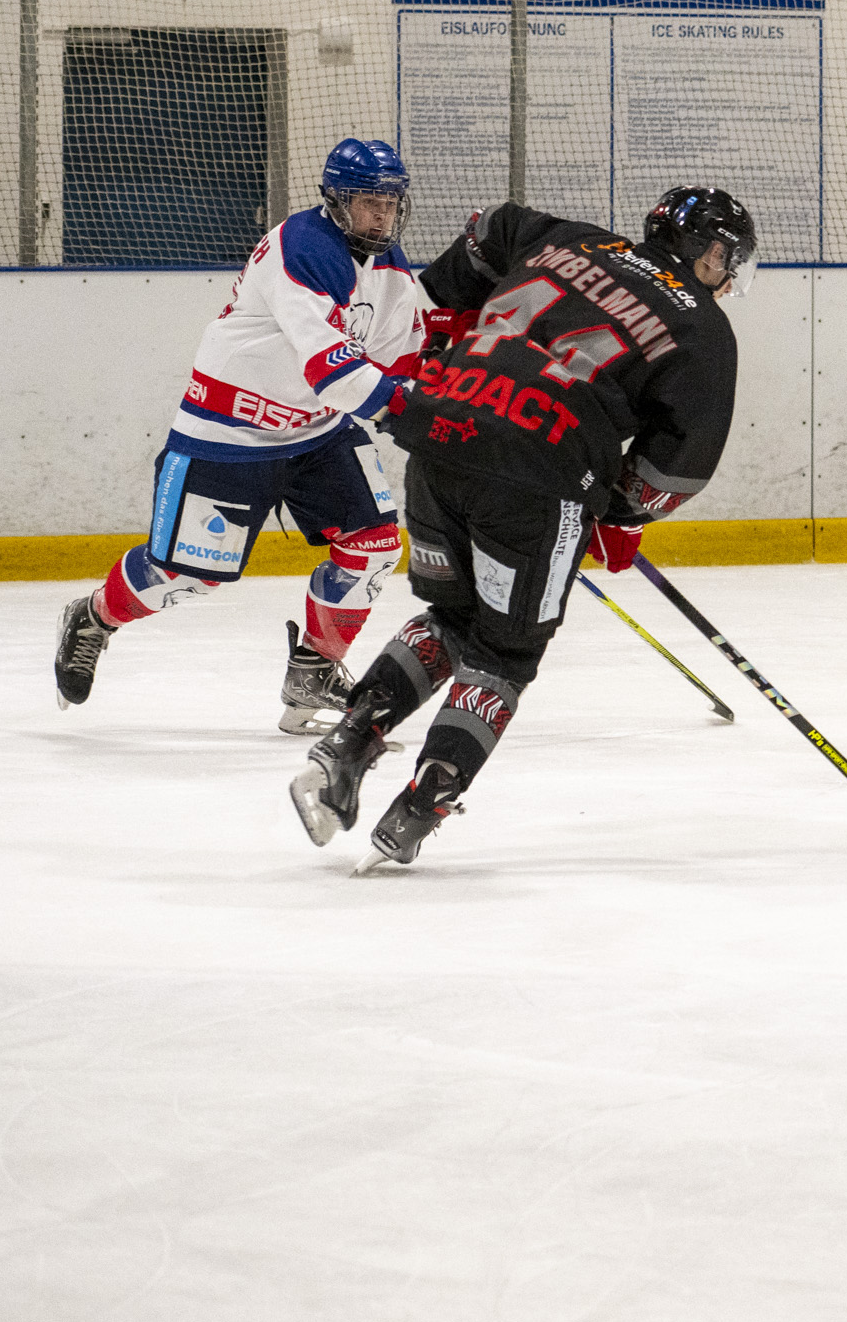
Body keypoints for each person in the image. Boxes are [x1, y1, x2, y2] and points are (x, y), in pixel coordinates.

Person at [289, 187, 752, 869]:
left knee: (450, 615)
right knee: (505, 652)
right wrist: (623, 514)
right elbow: (679, 466)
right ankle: (422, 803)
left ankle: (349, 743)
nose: (730, 273)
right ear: (705, 251)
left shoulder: (573, 240)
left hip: (438, 440)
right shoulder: (704, 329)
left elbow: (491, 227)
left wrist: (446, 306)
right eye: (727, 257)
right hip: (538, 480)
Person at [52, 139, 433, 728]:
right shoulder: (303, 248)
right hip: (229, 434)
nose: (381, 214)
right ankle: (94, 617)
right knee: (187, 577)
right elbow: (333, 373)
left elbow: (401, 363)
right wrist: (420, 420)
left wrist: (447, 401)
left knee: (374, 545)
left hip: (318, 434)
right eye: (367, 201)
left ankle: (314, 669)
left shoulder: (390, 269)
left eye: (390, 201)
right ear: (335, 200)